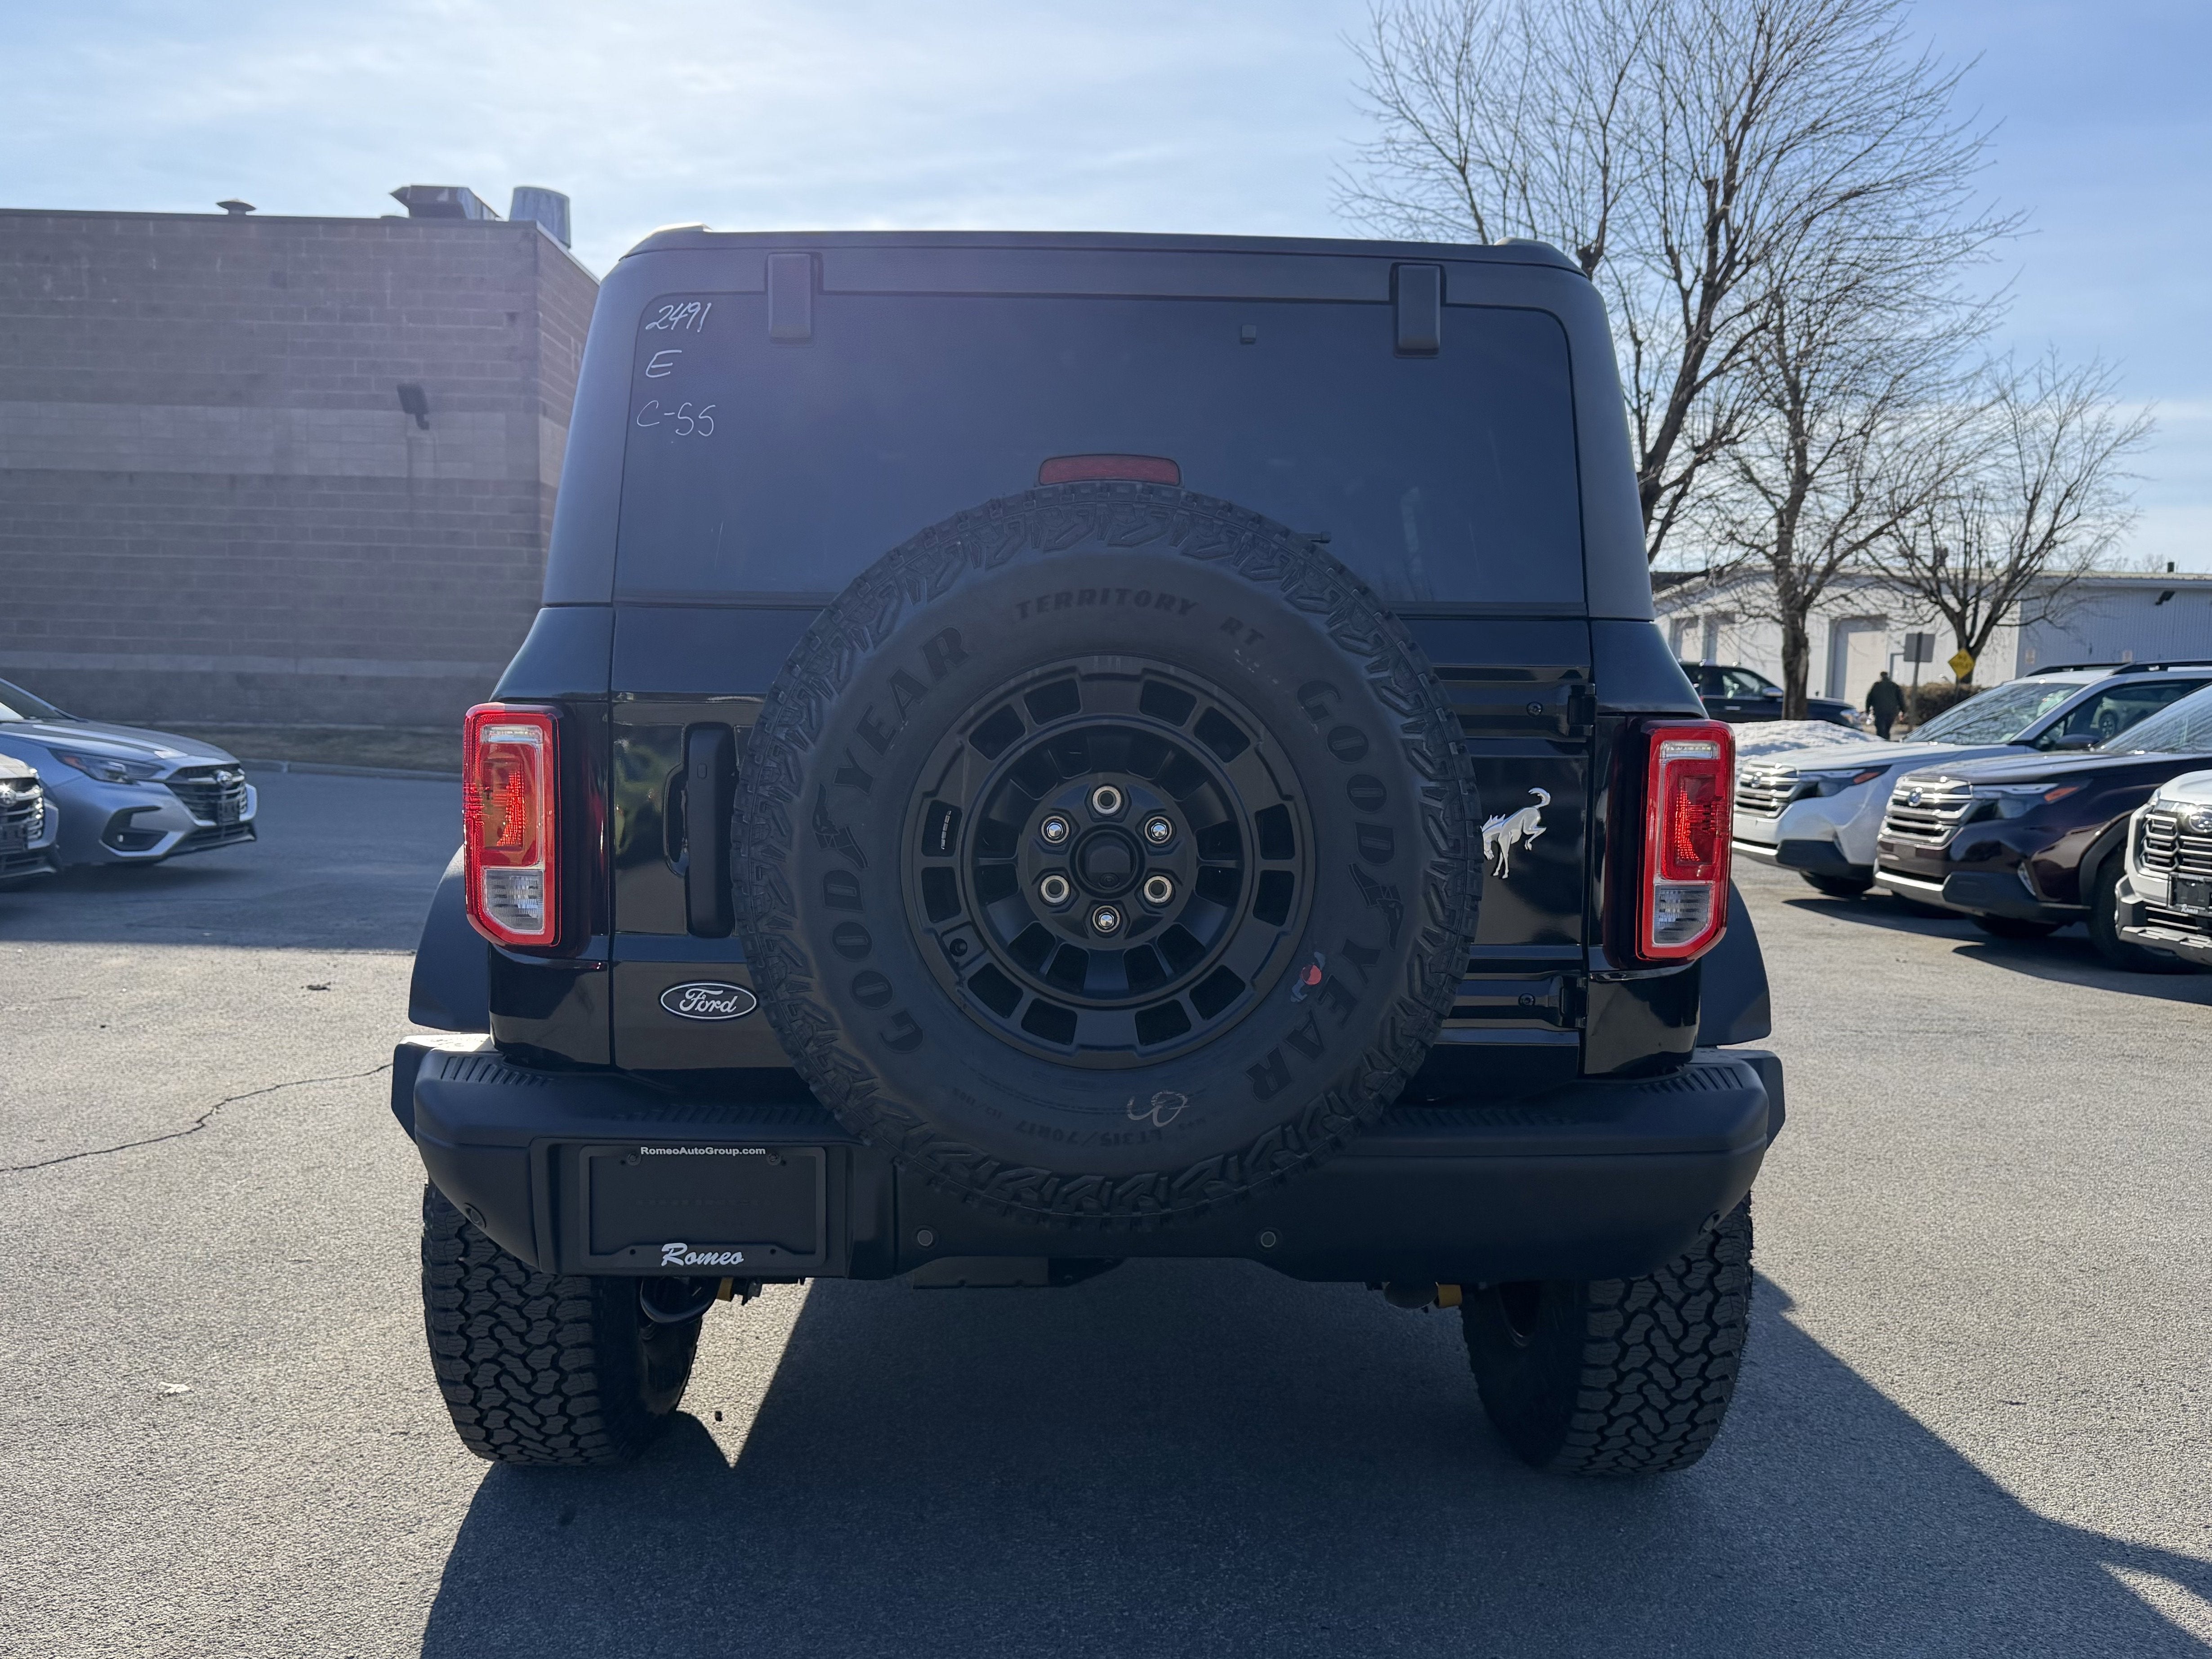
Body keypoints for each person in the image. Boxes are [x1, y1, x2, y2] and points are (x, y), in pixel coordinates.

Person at [1866, 669, 1906, 739]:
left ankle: (1880, 740)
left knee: (1880, 728)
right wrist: (1903, 710)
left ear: (1881, 676)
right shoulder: (1894, 686)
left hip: (1879, 711)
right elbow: (1900, 699)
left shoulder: (1877, 686)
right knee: (1888, 728)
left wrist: (1868, 709)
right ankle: (1887, 739)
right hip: (1891, 711)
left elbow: (1870, 698)